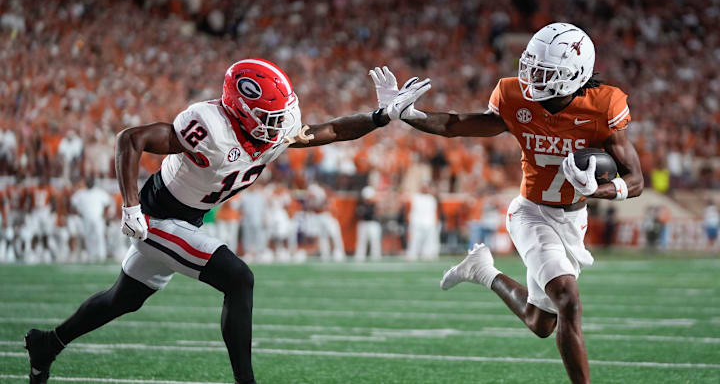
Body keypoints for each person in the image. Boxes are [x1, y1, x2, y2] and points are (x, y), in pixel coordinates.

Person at [23, 58, 431, 384]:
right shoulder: (209, 128)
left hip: (188, 218)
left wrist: (380, 116)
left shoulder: (271, 129)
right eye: (270, 116)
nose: (279, 125)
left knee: (123, 299)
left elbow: (330, 130)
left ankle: (48, 344)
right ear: (241, 110)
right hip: (158, 215)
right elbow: (131, 139)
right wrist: (129, 206)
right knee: (239, 278)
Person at [372, 23, 643, 384]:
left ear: (575, 75)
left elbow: (635, 179)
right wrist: (408, 115)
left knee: (541, 323)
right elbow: (457, 125)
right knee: (568, 299)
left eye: (546, 72)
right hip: (530, 212)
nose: (533, 77)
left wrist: (598, 191)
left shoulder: (604, 105)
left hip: (574, 218)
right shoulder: (514, 96)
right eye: (531, 66)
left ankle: (482, 270)